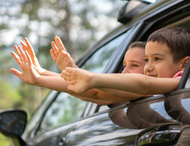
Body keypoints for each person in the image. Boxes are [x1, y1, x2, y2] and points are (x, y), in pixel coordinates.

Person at [61, 27, 190, 96]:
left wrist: (93, 79)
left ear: (184, 64)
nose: (148, 67)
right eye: (146, 60)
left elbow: (146, 84)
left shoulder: (183, 78)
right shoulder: (158, 87)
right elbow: (100, 94)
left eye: (157, 59)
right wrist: (41, 77)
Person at [10, 37, 146, 105]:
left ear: (150, 68)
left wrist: (39, 79)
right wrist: (41, 72)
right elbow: (86, 92)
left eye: (134, 65)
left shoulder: (148, 88)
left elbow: (94, 92)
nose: (124, 71)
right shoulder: (140, 93)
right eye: (124, 65)